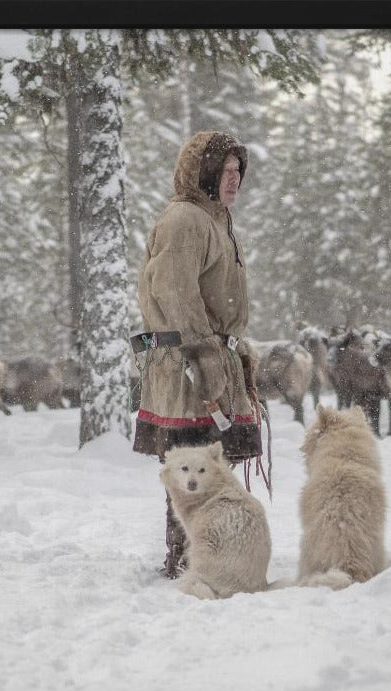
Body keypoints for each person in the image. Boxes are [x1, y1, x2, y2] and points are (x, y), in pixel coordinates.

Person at [132, 130, 263, 579]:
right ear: (203, 173)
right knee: (192, 466)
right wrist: (204, 353)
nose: (234, 179)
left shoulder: (217, 219)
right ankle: (186, 558)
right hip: (188, 367)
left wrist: (230, 354)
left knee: (210, 464)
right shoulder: (185, 219)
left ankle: (210, 554)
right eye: (225, 171)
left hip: (211, 360)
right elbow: (173, 292)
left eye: (238, 171)